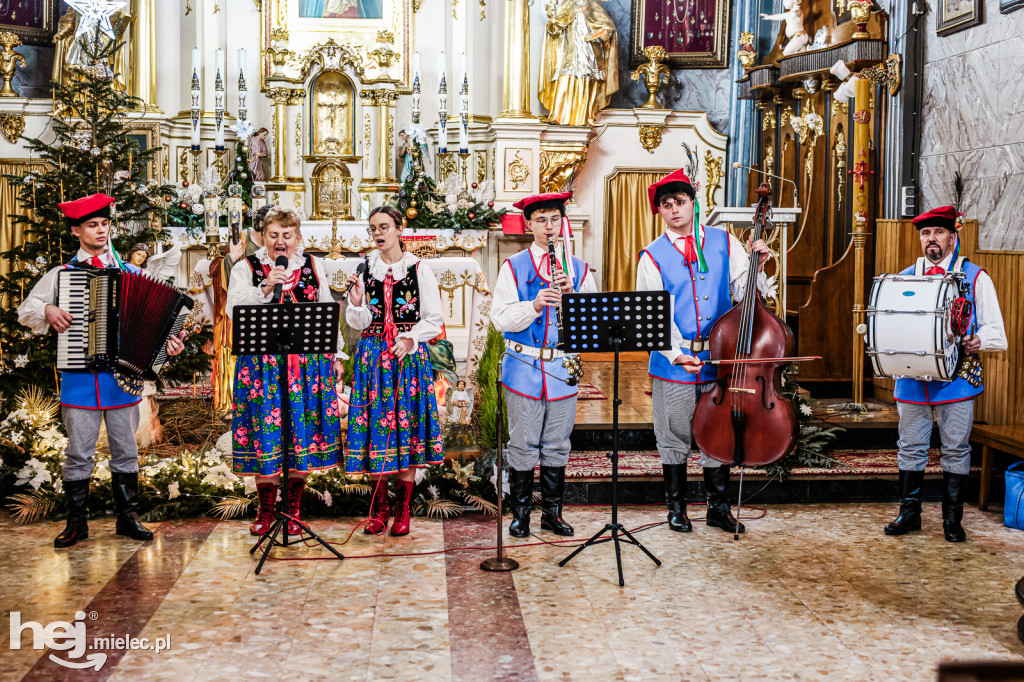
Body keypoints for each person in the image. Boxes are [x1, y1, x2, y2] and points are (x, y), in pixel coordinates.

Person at [17, 193, 185, 548]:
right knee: (78, 452)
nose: (101, 231)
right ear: (77, 230)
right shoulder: (63, 275)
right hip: (79, 380)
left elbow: (160, 324)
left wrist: (169, 344)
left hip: (121, 381)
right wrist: (48, 309)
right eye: (92, 225)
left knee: (126, 450)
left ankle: (128, 519)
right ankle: (76, 524)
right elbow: (26, 309)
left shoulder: (132, 274)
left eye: (105, 224)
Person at [635, 170, 769, 534]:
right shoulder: (651, 256)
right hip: (674, 363)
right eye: (666, 205)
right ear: (659, 211)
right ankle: (676, 509)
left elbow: (746, 294)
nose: (674, 209)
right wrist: (677, 354)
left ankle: (718, 508)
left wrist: (760, 262)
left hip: (720, 361)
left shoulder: (725, 242)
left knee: (718, 433)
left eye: (680, 202)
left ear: (693, 204)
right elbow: (653, 317)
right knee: (674, 436)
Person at [884, 206, 1006, 542]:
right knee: (910, 447)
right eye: (925, 234)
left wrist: (980, 338)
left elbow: (996, 329)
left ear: (952, 236)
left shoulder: (975, 276)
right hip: (912, 379)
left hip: (956, 380)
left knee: (955, 448)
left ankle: (952, 519)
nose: (931, 239)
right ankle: (909, 514)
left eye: (938, 232)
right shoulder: (903, 278)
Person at [227, 207, 346, 536]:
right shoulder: (245, 268)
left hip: (306, 367)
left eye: (287, 235)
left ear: (298, 238)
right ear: (263, 237)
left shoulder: (313, 265)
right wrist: (266, 287)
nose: (280, 242)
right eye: (273, 235)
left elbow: (327, 309)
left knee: (300, 437)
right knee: (266, 438)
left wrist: (336, 353)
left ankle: (292, 510)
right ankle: (266, 512)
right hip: (261, 369)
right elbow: (233, 309)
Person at [491, 191, 597, 538]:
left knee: (556, 443)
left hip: (563, 369)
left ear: (562, 223)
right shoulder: (514, 266)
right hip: (524, 365)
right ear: (529, 224)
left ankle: (552, 513)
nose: (549, 227)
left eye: (554, 219)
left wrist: (574, 298)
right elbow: (500, 320)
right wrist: (535, 305)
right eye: (541, 220)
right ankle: (520, 514)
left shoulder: (578, 269)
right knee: (522, 443)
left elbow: (594, 322)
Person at [343, 206, 445, 536]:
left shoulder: (418, 269)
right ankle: (378, 506)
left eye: (384, 226)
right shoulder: (364, 269)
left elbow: (434, 319)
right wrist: (357, 303)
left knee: (407, 429)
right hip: (372, 358)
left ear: (399, 229)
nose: (378, 233)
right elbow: (357, 323)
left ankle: (402, 509)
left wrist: (411, 338)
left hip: (407, 358)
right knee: (375, 427)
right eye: (373, 228)